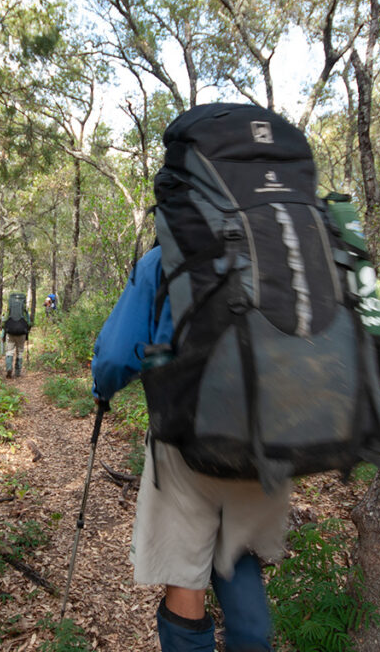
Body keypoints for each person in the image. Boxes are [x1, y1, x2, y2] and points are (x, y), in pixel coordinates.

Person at [91, 245, 290, 652]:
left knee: (186, 577)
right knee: (235, 548)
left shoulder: (166, 256)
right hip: (264, 438)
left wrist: (102, 389)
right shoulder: (269, 246)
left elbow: (114, 354)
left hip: (186, 438)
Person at [2, 292, 31, 378]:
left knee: (9, 351)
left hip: (10, 332)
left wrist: (3, 334)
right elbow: (29, 323)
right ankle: (17, 372)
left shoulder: (9, 310)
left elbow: (4, 322)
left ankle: (9, 368)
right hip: (21, 333)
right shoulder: (25, 311)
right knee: (20, 352)